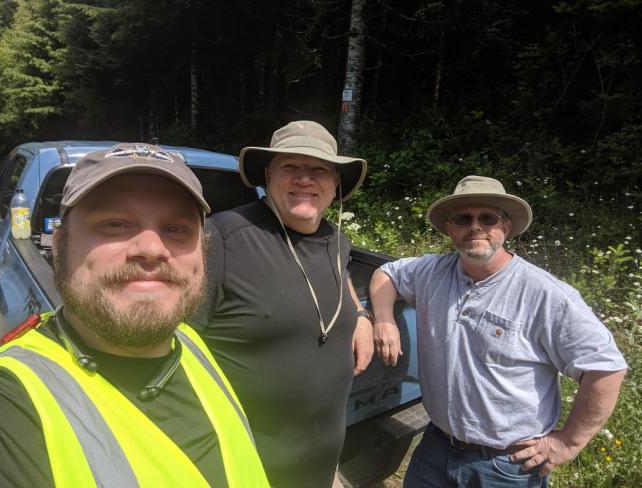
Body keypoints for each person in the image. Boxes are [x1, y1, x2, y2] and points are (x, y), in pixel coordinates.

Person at [0, 143, 269, 488]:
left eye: (175, 229)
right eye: (115, 224)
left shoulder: (190, 344)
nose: (152, 249)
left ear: (203, 255)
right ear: (60, 246)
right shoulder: (9, 403)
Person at [370, 175, 627, 487]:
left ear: (505, 227)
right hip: (436, 447)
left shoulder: (544, 294)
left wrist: (568, 443)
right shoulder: (430, 271)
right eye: (464, 219)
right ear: (450, 229)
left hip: (506, 466)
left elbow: (605, 368)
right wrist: (383, 318)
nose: (475, 227)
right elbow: (387, 273)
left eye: (487, 218)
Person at [193, 121, 374, 488]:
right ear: (268, 175)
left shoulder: (335, 239)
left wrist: (363, 316)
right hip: (243, 470)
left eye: (319, 169)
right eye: (290, 167)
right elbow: (174, 347)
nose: (305, 179)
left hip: (319, 467)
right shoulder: (221, 238)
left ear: (335, 181)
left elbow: (340, 279)